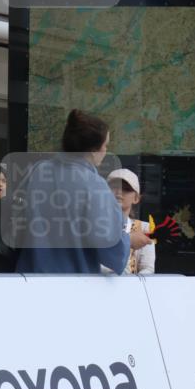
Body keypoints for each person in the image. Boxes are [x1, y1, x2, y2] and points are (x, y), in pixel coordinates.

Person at [15, 110, 151, 274]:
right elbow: (108, 245)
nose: (106, 151)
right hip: (73, 283)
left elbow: (15, 218)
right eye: (105, 145)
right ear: (94, 150)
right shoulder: (95, 185)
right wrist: (129, 241)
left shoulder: (37, 171)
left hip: (28, 279)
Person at [106, 169, 155, 275]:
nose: (119, 192)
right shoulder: (92, 226)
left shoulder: (144, 228)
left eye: (126, 189)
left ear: (136, 198)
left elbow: (148, 269)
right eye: (114, 187)